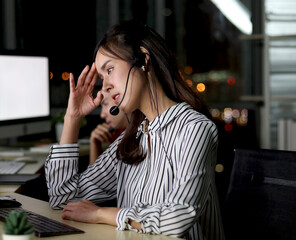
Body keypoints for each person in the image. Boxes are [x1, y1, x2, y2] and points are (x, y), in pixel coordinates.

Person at [45, 20, 225, 239]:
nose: (106, 86)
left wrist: (103, 213)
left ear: (143, 59)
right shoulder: (132, 140)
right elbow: (62, 199)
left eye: (110, 69)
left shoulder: (194, 129)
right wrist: (72, 118)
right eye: (102, 78)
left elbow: (179, 217)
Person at [89, 94, 127, 164]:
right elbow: (95, 174)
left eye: (106, 104)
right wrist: (95, 144)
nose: (102, 115)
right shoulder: (117, 133)